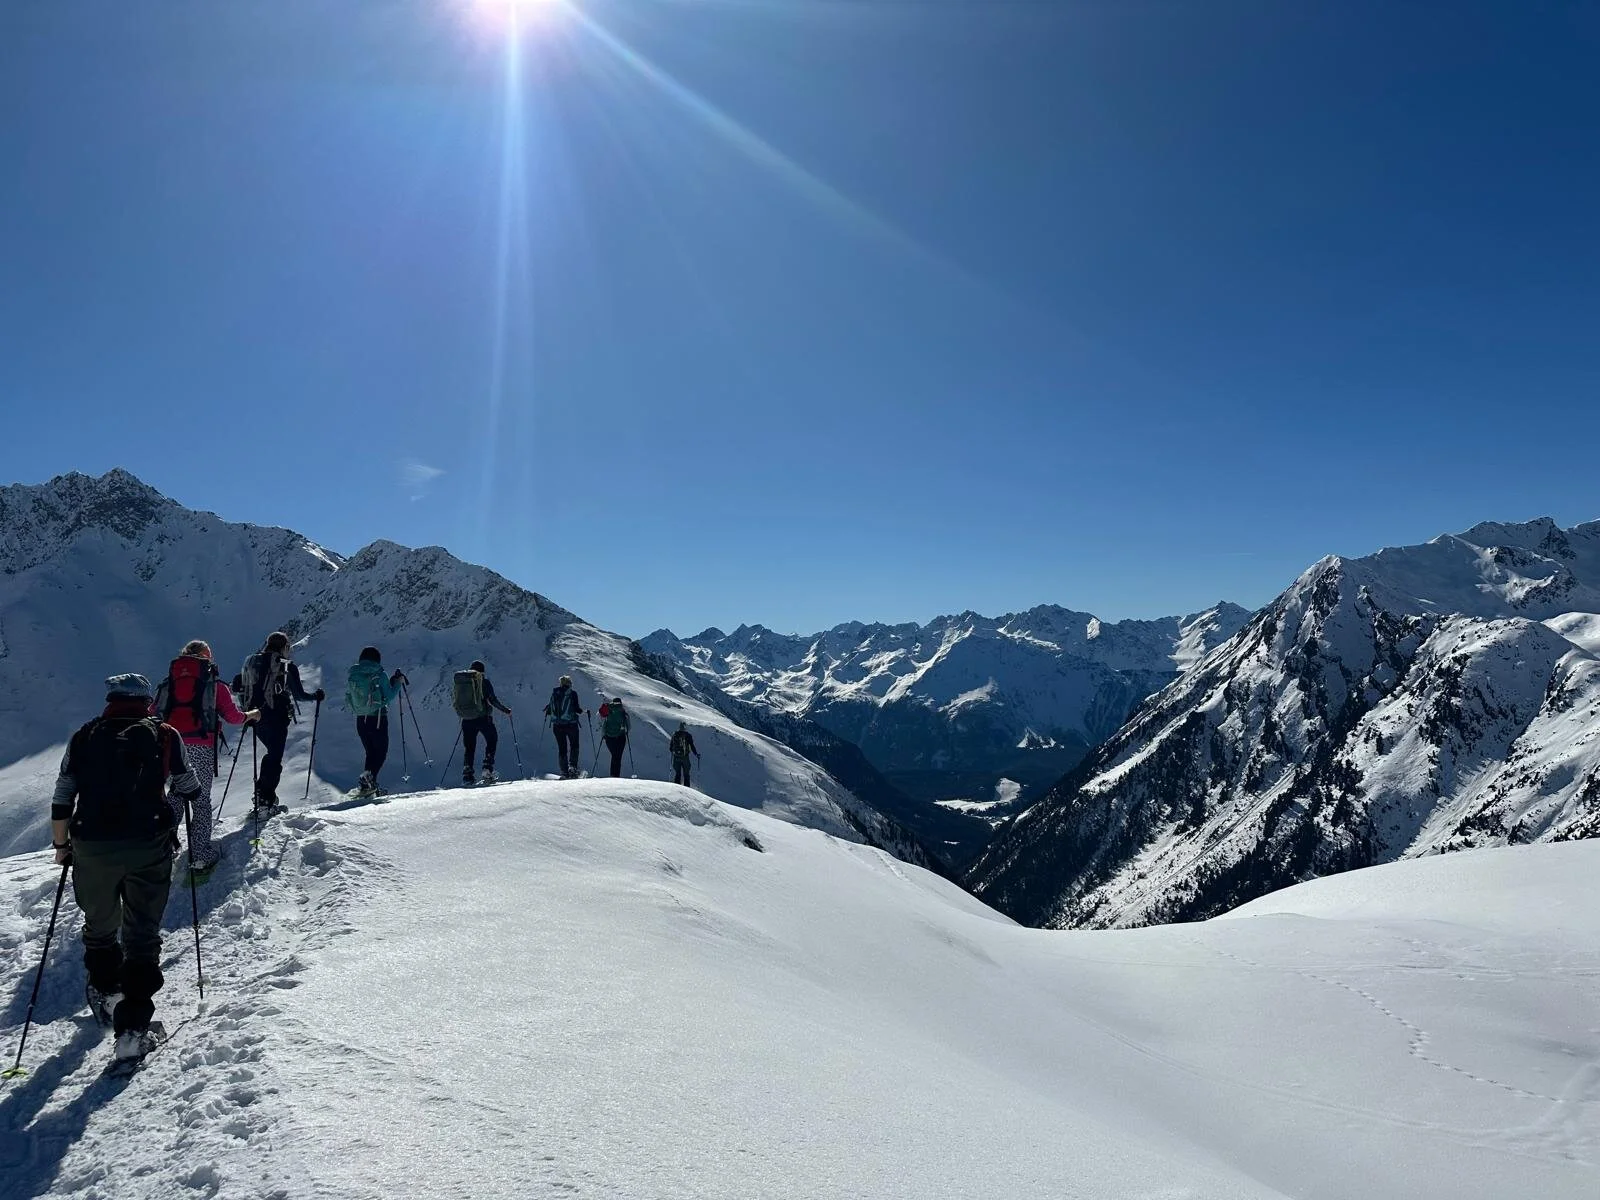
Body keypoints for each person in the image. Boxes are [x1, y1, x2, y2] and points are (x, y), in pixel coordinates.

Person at [51, 674, 204, 1063]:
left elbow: (64, 793)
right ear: (147, 702)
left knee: (99, 924)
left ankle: (105, 991)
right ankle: (133, 1029)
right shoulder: (166, 734)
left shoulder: (85, 736)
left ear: (110, 700)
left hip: (92, 845)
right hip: (148, 845)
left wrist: (61, 845)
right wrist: (173, 807)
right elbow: (189, 786)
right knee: (142, 931)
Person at [153, 640, 260, 878]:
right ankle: (200, 853)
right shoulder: (214, 685)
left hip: (170, 746)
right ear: (205, 657)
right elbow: (232, 717)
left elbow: (152, 714)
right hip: (200, 746)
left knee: (177, 794)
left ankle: (163, 848)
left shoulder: (168, 683)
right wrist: (252, 714)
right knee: (200, 798)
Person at [240, 632, 323, 815]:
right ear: (284, 647)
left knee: (271, 755)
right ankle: (265, 800)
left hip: (255, 717)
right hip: (276, 717)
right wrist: (315, 697)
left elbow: (240, 686)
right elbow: (299, 695)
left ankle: (262, 795)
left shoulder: (254, 662)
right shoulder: (286, 667)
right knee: (274, 758)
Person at [346, 647, 407, 797]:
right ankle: (368, 781)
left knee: (370, 753)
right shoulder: (379, 673)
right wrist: (398, 682)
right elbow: (389, 696)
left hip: (361, 719)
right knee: (380, 753)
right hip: (377, 718)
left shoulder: (354, 674)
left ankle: (368, 786)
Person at [453, 660, 511, 785]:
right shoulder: (484, 682)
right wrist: (506, 711)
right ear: (482, 671)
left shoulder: (463, 682)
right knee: (492, 740)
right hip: (483, 718)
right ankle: (487, 768)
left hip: (466, 719)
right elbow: (493, 700)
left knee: (469, 747)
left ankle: (467, 775)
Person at [543, 674, 586, 779]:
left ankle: (564, 772)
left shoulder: (555, 694)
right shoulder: (572, 693)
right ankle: (573, 768)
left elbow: (549, 710)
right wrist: (584, 711)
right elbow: (577, 709)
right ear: (569, 683)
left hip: (557, 726)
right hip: (571, 724)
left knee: (562, 749)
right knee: (574, 746)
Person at [598, 696, 631, 778]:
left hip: (609, 737)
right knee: (617, 757)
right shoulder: (623, 712)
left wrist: (603, 735)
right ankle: (615, 776)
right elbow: (629, 726)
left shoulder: (608, 710)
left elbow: (603, 723)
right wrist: (625, 732)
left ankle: (613, 775)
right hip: (620, 737)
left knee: (614, 756)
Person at [669, 722, 700, 788]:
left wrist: (674, 751)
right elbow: (692, 746)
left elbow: (670, 748)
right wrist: (696, 754)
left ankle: (676, 788)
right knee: (686, 774)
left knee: (678, 773)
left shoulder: (675, 734)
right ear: (685, 728)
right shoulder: (688, 735)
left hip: (676, 757)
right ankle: (687, 789)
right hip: (685, 757)